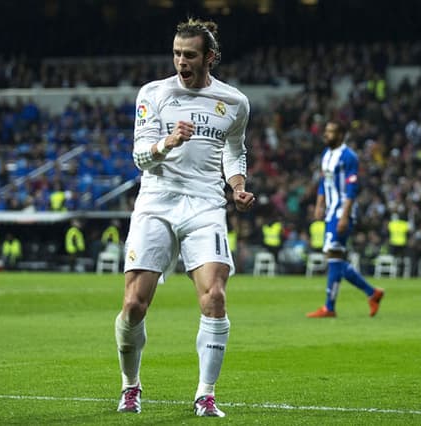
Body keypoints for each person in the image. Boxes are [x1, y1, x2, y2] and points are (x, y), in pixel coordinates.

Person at [114, 18, 254, 418]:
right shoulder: (154, 94)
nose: (181, 61)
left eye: (189, 55)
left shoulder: (235, 102)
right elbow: (140, 157)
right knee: (134, 305)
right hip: (157, 202)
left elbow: (235, 151)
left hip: (205, 206)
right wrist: (168, 142)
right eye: (176, 53)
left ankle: (206, 394)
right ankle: (130, 386)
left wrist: (236, 185)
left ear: (209, 57)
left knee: (215, 298)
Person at [306, 120, 384, 318]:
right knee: (334, 258)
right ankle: (371, 293)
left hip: (342, 211)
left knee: (333, 256)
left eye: (331, 132)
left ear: (341, 135)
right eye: (326, 131)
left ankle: (331, 306)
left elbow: (352, 188)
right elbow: (324, 182)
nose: (326, 135)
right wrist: (319, 204)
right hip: (331, 210)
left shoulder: (349, 157)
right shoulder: (326, 154)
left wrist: (345, 215)